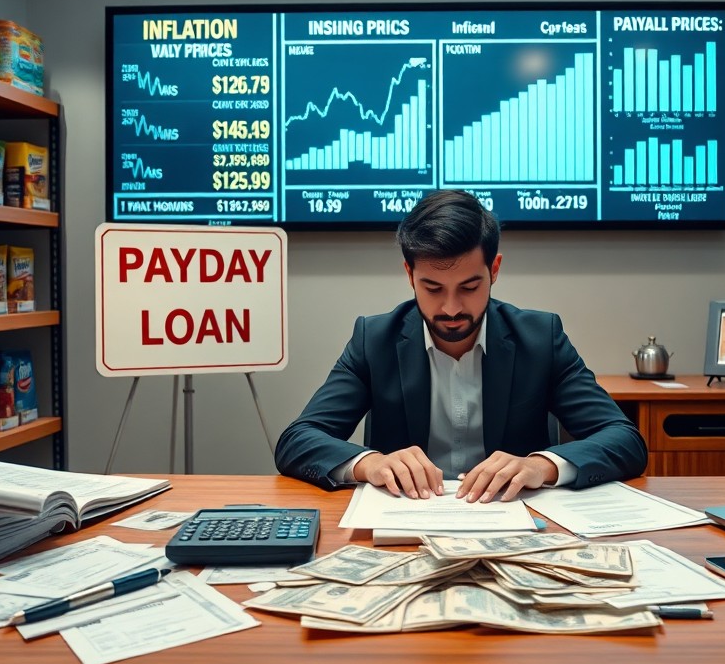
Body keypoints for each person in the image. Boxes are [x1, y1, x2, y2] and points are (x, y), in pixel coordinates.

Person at [274, 189, 647, 502]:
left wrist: (541, 465)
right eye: (432, 288)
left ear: (494, 270)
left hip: (514, 525)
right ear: (410, 275)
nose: (451, 308)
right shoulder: (375, 340)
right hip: (406, 524)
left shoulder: (540, 338)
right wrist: (369, 463)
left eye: (469, 287)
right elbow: (297, 440)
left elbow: (624, 440)